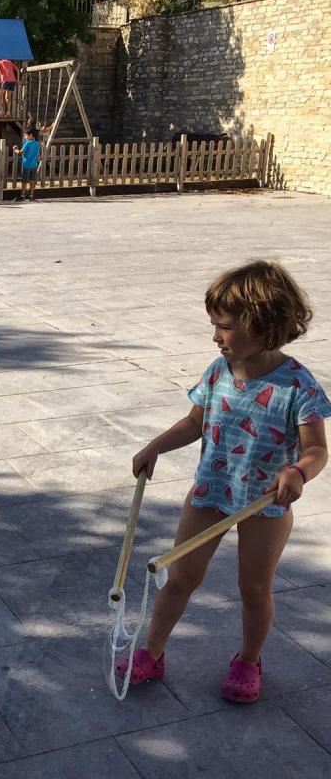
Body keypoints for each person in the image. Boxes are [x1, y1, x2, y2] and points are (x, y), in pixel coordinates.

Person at [119, 261, 330, 703]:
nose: (216, 336)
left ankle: (248, 660)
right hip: (211, 492)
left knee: (254, 589)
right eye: (214, 325)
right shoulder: (218, 371)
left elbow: (317, 449)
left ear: (265, 324)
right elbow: (195, 421)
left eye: (226, 327)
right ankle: (152, 652)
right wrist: (155, 446)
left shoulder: (298, 386)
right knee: (180, 577)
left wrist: (298, 471)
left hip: (264, 505)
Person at [13, 129, 41, 201]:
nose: (25, 137)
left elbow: (21, 152)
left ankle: (22, 196)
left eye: (26, 135)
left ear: (31, 135)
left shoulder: (28, 143)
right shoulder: (36, 144)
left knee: (24, 181)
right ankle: (31, 196)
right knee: (32, 181)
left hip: (26, 164)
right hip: (34, 164)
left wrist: (15, 149)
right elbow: (38, 154)